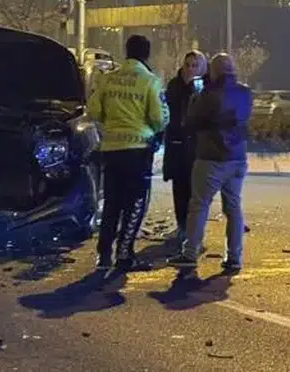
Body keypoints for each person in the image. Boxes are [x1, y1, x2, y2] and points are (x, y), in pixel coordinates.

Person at [87, 34, 169, 271]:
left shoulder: (107, 79)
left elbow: (94, 111)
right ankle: (124, 254)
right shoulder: (150, 81)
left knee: (112, 202)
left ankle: (103, 254)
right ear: (146, 54)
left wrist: (111, 123)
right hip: (138, 152)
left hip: (111, 150)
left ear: (126, 51)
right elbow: (159, 118)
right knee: (134, 204)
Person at [170, 52, 253, 275]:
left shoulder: (208, 95)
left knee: (199, 205)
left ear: (213, 71)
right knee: (233, 208)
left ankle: (189, 253)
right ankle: (234, 256)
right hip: (237, 157)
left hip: (211, 158)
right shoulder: (245, 93)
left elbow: (191, 121)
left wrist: (194, 98)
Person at [163, 51, 208, 245]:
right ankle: (181, 226)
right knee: (178, 187)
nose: (190, 69)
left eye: (194, 65)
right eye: (188, 64)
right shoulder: (174, 85)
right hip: (176, 143)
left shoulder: (203, 87)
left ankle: (193, 230)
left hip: (196, 145)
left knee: (194, 190)